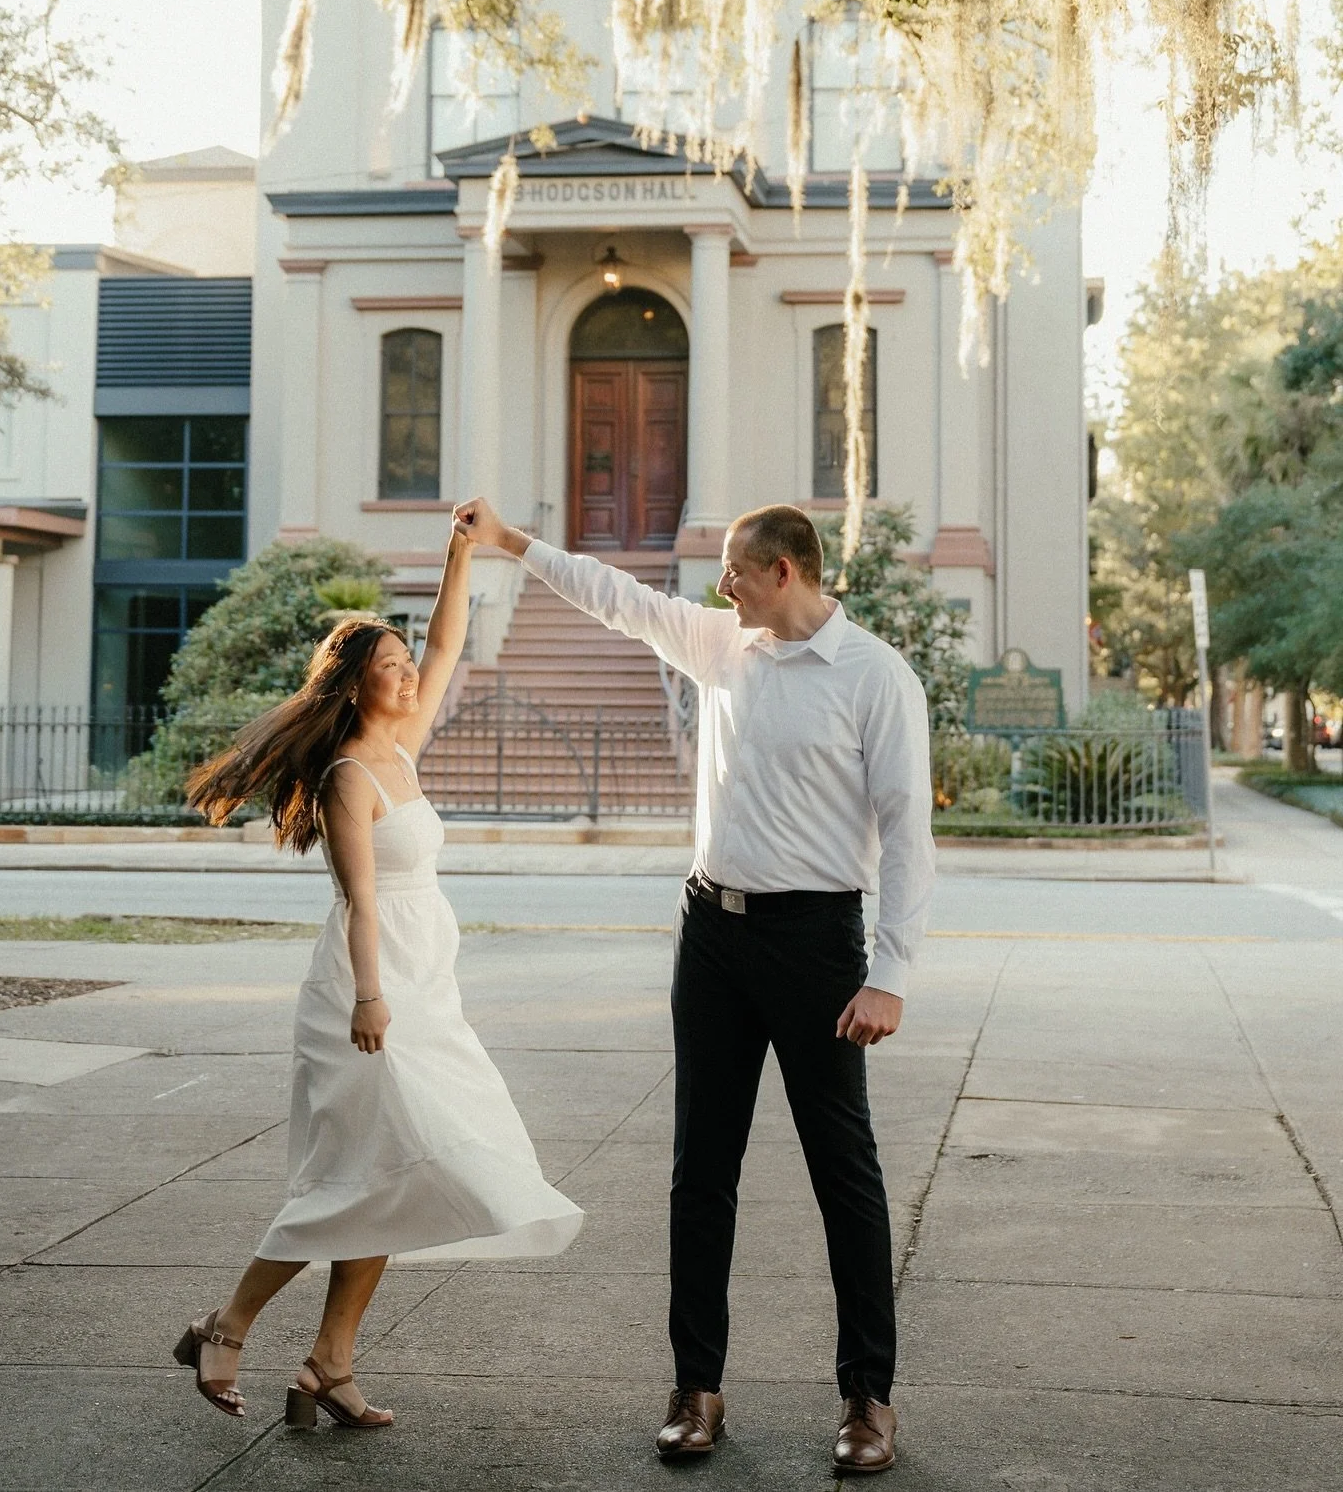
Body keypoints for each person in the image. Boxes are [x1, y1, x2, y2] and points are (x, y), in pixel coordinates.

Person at [454, 497, 934, 1475]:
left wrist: (890, 975)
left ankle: (869, 1399)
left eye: (735, 570)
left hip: (817, 945)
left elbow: (909, 832)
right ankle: (696, 1387)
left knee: (843, 1171)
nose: (720, 584)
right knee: (699, 1169)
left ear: (785, 572)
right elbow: (614, 598)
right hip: (711, 934)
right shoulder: (723, 646)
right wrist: (511, 543)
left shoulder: (874, 677)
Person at [174, 520, 582, 1428]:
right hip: (367, 990)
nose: (407, 672)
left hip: (424, 985)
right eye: (388, 664)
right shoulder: (351, 772)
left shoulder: (405, 744)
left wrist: (462, 555)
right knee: (351, 1177)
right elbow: (361, 898)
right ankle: (226, 1324)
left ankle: (329, 1361)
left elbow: (446, 641)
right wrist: (369, 996)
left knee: (398, 1171)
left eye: (404, 661)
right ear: (354, 681)